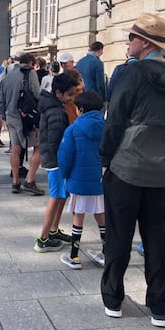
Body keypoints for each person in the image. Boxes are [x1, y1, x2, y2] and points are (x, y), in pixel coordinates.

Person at [99, 13, 165, 328]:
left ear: (144, 43)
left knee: (118, 236)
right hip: (162, 171)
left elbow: (114, 121)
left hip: (126, 168)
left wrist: (104, 158)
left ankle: (113, 298)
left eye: (131, 37)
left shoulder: (130, 74)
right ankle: (159, 307)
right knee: (157, 241)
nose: (127, 42)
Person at [59, 91, 106, 269]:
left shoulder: (73, 129)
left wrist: (65, 174)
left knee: (78, 216)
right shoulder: (106, 127)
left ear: (80, 109)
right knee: (101, 214)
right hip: (99, 179)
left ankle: (74, 256)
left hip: (79, 179)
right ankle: (106, 252)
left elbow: (65, 156)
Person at [33, 73, 79, 253]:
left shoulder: (54, 106)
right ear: (58, 93)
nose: (72, 98)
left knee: (60, 196)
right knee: (56, 196)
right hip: (56, 160)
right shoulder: (56, 112)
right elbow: (54, 141)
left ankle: (53, 231)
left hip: (55, 159)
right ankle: (43, 238)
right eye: (70, 94)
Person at [0, 52, 45, 195]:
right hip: (26, 118)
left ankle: (15, 182)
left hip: (11, 116)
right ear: (31, 63)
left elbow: (1, 98)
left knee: (15, 149)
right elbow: (37, 94)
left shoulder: (8, 74)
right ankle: (30, 181)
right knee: (38, 147)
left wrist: (3, 116)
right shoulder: (30, 73)